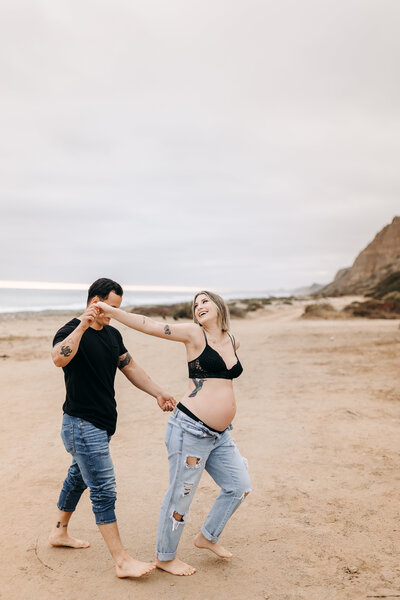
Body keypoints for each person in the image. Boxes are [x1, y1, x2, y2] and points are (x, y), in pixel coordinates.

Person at [95, 290, 251, 576]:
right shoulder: (193, 334)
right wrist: (112, 311)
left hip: (220, 435)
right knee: (181, 495)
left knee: (239, 486)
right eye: (195, 304)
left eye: (205, 301)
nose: (199, 306)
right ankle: (165, 557)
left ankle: (207, 537)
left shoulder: (232, 340)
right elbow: (149, 325)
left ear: (218, 305)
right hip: (190, 429)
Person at [49, 278, 175, 579]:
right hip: (81, 424)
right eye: (109, 308)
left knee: (78, 476)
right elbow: (58, 358)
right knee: (103, 489)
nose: (113, 314)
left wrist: (158, 392)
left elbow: (130, 367)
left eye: (117, 309)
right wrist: (83, 325)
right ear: (95, 301)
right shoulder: (69, 331)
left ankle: (59, 532)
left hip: (101, 424)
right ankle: (122, 560)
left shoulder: (112, 334)